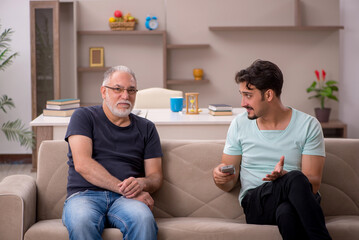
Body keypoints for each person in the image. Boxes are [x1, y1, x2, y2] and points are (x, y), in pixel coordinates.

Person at [212, 60, 332, 240]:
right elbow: (229, 182)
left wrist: (285, 177)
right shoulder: (239, 124)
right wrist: (220, 177)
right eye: (242, 95)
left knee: (286, 213)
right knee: (295, 179)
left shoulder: (308, 125)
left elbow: (313, 184)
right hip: (257, 203)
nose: (243, 103)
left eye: (248, 95)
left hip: (298, 200)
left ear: (268, 94)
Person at [62, 65, 163, 240]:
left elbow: (156, 176)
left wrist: (142, 184)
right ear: (103, 91)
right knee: (82, 222)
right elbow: (83, 164)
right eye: (118, 89)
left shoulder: (147, 128)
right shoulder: (83, 117)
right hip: (85, 196)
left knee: (143, 219)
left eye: (131, 90)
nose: (125, 96)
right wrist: (125, 189)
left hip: (127, 201)